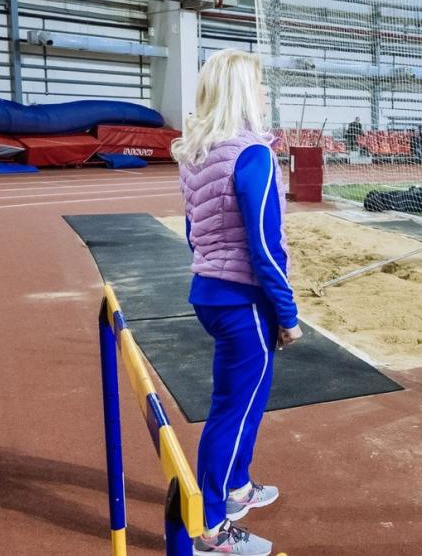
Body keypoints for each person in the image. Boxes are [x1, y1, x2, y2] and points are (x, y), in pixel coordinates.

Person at [172, 48, 301, 556]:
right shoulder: (253, 154)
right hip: (243, 300)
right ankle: (210, 530)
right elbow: (265, 244)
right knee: (232, 408)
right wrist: (286, 314)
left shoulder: (198, 154)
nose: (266, 93)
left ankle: (237, 487)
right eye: (261, 85)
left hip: (213, 291)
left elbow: (193, 232)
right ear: (245, 92)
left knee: (246, 398)